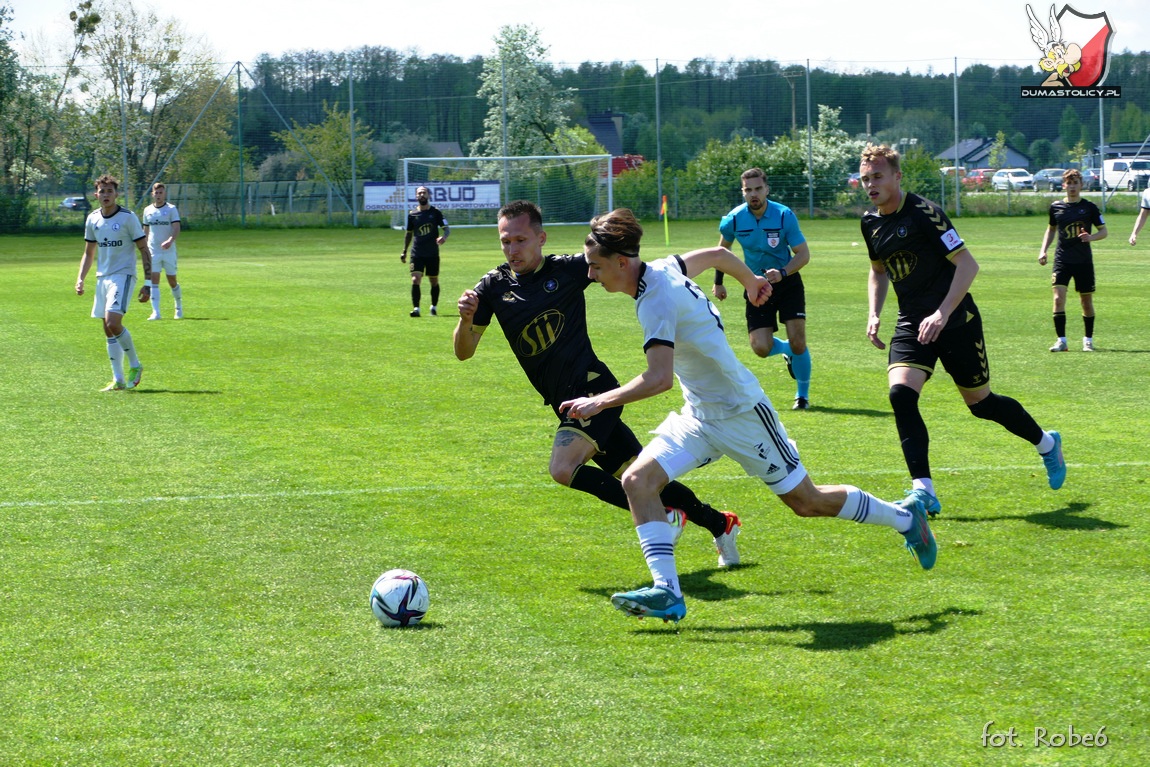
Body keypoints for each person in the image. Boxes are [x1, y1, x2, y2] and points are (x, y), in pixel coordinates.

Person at [560, 209, 937, 625]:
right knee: (636, 481)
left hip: (742, 414)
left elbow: (658, 378)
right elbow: (716, 256)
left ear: (621, 263)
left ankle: (906, 519)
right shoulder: (664, 267)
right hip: (700, 417)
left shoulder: (655, 301)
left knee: (807, 502)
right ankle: (667, 592)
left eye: (595, 267)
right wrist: (751, 280)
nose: (591, 276)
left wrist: (600, 402)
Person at [453, 200, 743, 569]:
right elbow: (464, 352)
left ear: (541, 238)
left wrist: (687, 277)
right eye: (505, 241)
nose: (513, 250)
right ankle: (720, 523)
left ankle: (666, 516)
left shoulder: (570, 269)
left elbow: (631, 268)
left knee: (562, 467)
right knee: (639, 476)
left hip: (594, 391)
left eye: (521, 240)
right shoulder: (493, 287)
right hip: (566, 402)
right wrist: (465, 320)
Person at [858, 143, 1066, 520]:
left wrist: (940, 313)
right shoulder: (869, 221)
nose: (870, 184)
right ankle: (924, 492)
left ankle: (1047, 444)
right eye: (865, 178)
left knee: (981, 404)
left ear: (897, 176)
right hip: (911, 323)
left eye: (878, 176)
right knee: (901, 395)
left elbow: (968, 266)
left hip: (955, 322)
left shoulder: (925, 213)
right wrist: (874, 313)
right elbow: (878, 270)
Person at [714, 168, 814, 409]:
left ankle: (802, 396)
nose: (753, 194)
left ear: (767, 189)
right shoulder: (734, 219)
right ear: (743, 192)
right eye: (748, 190)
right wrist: (719, 282)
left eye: (758, 189)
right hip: (756, 285)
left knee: (799, 342)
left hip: (787, 282)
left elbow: (803, 254)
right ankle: (787, 350)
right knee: (760, 348)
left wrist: (782, 273)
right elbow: (722, 252)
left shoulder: (783, 215)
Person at [75, 174, 151, 391]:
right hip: (102, 277)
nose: (105, 195)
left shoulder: (128, 217)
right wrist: (81, 278)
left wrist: (148, 283)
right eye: (102, 191)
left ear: (116, 194)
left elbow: (144, 249)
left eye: (110, 191)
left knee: (113, 323)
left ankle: (135, 365)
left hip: (123, 275)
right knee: (107, 330)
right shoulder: (93, 219)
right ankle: (118, 379)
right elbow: (89, 253)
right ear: (96, 194)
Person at [1038, 169, 1107, 352]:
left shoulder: (1089, 207)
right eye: (1069, 183)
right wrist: (1043, 250)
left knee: (1086, 301)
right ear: (1064, 185)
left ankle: (1088, 340)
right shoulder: (1056, 207)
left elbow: (1104, 232)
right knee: (1058, 298)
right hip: (1062, 260)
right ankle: (1062, 341)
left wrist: (1090, 238)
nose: (1072, 187)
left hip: (1083, 261)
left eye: (1075, 183)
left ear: (1081, 185)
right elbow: (1051, 229)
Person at [402, 186, 449, 317]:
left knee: (433, 281)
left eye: (424, 192)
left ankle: (433, 307)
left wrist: (443, 237)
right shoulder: (412, 215)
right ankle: (416, 309)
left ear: (429, 195)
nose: (422, 195)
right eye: (419, 193)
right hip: (417, 253)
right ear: (416, 196)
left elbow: (447, 228)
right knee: (415, 279)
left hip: (432, 253)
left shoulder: (436, 213)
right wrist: (404, 251)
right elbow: (408, 234)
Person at [142, 181, 183, 320]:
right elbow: (146, 230)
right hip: (153, 251)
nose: (158, 195)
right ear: (152, 194)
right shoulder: (147, 210)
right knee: (154, 280)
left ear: (164, 194)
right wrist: (144, 247)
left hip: (169, 251)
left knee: (172, 280)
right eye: (156, 193)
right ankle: (156, 312)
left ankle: (178, 307)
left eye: (161, 192)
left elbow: (176, 227)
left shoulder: (171, 209)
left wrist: (170, 241)